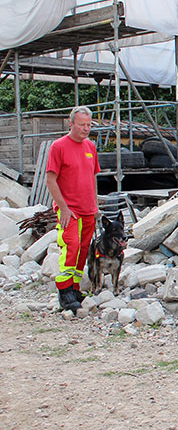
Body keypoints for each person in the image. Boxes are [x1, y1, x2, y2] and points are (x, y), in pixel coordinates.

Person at [45, 106, 100, 313]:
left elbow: (92, 177)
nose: (85, 129)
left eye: (88, 125)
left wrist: (94, 205)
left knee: (84, 249)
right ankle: (64, 291)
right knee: (71, 246)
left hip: (88, 209)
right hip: (70, 209)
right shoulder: (58, 147)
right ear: (71, 124)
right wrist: (64, 208)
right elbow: (51, 180)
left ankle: (75, 289)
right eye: (81, 125)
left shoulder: (90, 147)